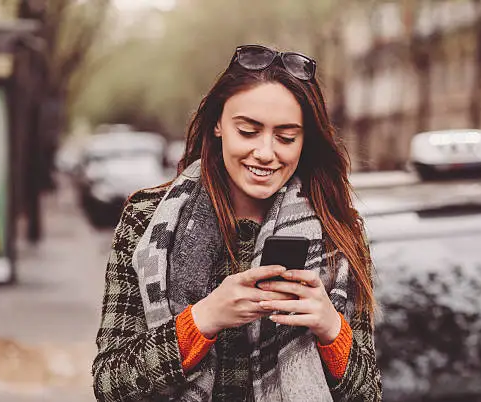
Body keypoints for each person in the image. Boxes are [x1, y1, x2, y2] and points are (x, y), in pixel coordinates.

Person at [92, 44, 382, 402]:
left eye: (286, 137)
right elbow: (108, 383)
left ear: (305, 141)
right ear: (218, 124)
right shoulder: (146, 218)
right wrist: (203, 320)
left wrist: (331, 330)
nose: (265, 152)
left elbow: (368, 393)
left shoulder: (338, 229)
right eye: (248, 131)